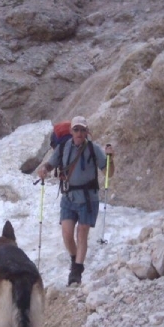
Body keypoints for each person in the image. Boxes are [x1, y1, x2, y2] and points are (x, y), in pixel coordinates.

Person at [37, 116, 114, 286]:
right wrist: (44, 169)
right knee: (66, 233)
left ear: (87, 132)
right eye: (76, 130)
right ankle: (75, 259)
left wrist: (110, 158)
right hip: (69, 197)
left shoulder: (93, 149)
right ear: (71, 131)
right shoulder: (64, 147)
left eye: (82, 130)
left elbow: (108, 173)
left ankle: (77, 271)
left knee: (82, 233)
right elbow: (50, 164)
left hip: (88, 198)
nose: (79, 133)